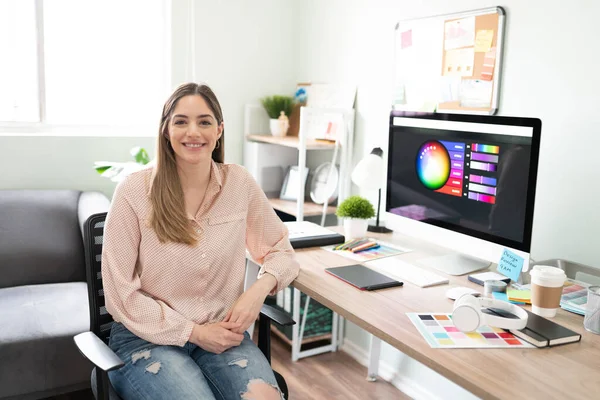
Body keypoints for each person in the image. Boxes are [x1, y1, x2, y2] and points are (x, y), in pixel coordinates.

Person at [102, 82, 299, 399]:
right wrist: (193, 332)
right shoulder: (134, 191)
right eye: (181, 121)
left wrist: (259, 290)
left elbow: (281, 252)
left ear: (219, 130)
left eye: (204, 121)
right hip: (147, 338)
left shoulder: (239, 184)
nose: (193, 132)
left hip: (222, 335)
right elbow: (120, 294)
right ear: (166, 130)